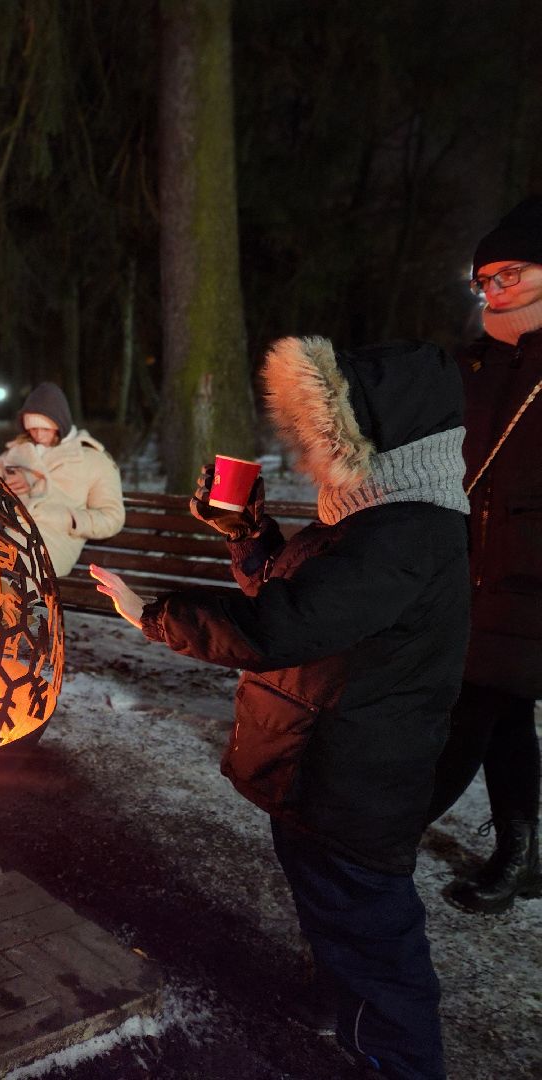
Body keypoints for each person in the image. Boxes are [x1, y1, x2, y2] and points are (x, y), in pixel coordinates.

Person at [91, 336, 469, 1080]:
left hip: (353, 781)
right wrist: (249, 532)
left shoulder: (404, 536)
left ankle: (398, 1061)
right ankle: (336, 998)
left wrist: (150, 614)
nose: (305, 458)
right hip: (321, 768)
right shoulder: (372, 520)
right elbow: (306, 603)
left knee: (374, 934)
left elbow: (277, 628)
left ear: (378, 440)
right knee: (336, 914)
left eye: (320, 439)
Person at [425, 195, 542, 915]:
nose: (496, 289)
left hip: (530, 576)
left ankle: (387, 831)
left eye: (511, 274)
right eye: (486, 280)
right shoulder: (472, 362)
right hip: (469, 566)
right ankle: (519, 851)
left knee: (471, 707)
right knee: (504, 713)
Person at [0, 381, 124, 577]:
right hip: (9, 531)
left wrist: (68, 519)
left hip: (56, 540)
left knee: (13, 576)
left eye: (45, 429)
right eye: (32, 429)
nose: (38, 435)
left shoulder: (93, 460)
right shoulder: (15, 453)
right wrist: (6, 487)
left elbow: (112, 518)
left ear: (60, 424)